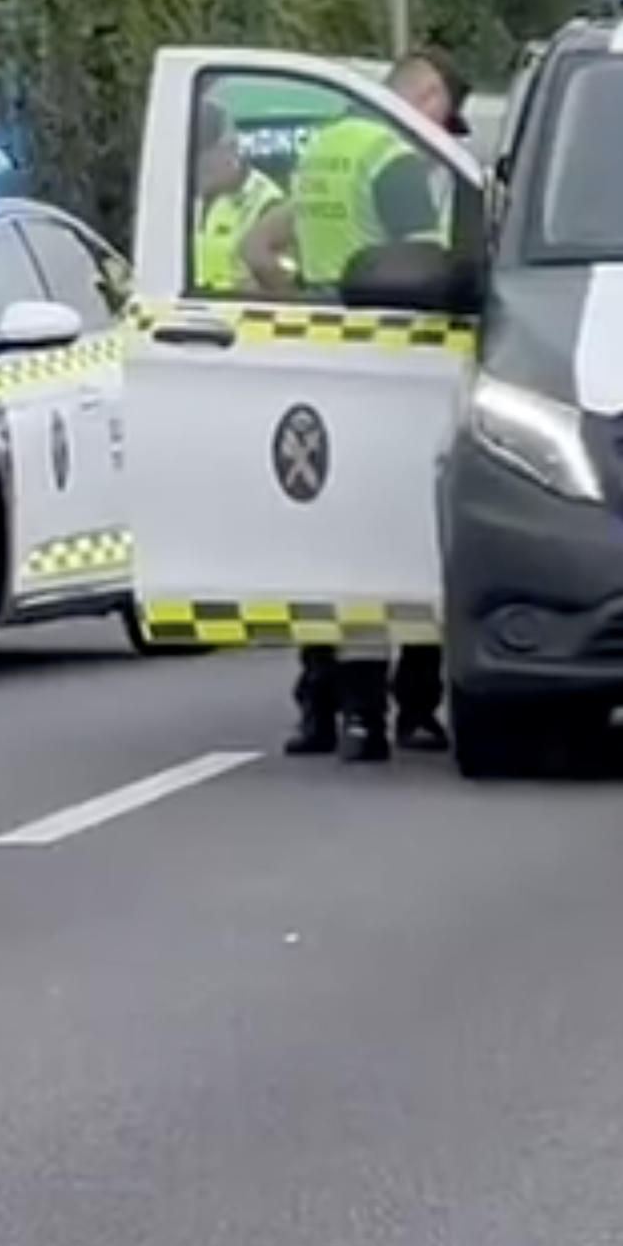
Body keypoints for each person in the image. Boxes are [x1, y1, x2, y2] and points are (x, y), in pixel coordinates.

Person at [282, 48, 468, 761]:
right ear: (421, 98)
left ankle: (323, 707)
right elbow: (429, 264)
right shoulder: (394, 158)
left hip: (310, 341)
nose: (444, 126)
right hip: (391, 350)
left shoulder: (325, 147)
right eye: (443, 111)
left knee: (329, 539)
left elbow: (284, 244)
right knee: (402, 536)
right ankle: (407, 710)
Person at [191, 97, 297, 295]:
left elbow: (286, 288)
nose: (194, 166)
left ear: (230, 148)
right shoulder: (184, 199)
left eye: (203, 156)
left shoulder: (266, 202)